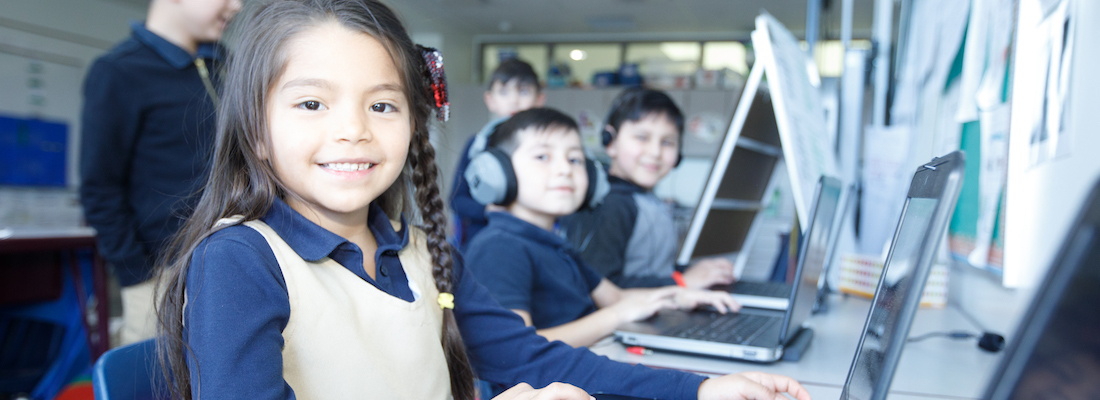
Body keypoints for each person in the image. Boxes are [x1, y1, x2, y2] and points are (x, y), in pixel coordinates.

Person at [155, 1, 812, 400]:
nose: (352, 129)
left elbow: (531, 355)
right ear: (255, 133)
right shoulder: (240, 261)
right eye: (311, 103)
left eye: (382, 104)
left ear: (413, 123)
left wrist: (698, 386)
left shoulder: (420, 250)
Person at [464, 107, 740, 349]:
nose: (564, 170)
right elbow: (517, 349)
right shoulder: (500, 247)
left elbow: (617, 297)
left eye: (575, 159)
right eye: (542, 157)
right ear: (497, 173)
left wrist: (681, 297)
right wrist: (615, 316)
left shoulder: (556, 245)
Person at [79, 0, 242, 345]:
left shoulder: (228, 67)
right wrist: (139, 278)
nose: (237, 6)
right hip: (161, 276)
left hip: (237, 262)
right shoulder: (119, 72)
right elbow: (99, 188)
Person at [561, 88, 736, 289]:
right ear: (610, 141)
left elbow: (651, 268)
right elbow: (602, 286)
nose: (655, 152)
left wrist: (691, 271)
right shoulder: (611, 204)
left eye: (667, 142)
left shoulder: (645, 199)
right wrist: (681, 282)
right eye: (642, 137)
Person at [449, 59, 545, 248]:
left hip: (532, 242)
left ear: (539, 99)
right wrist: (488, 210)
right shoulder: (477, 145)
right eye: (503, 91)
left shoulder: (546, 149)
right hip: (480, 243)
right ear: (490, 100)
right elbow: (456, 200)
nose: (513, 100)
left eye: (523, 91)